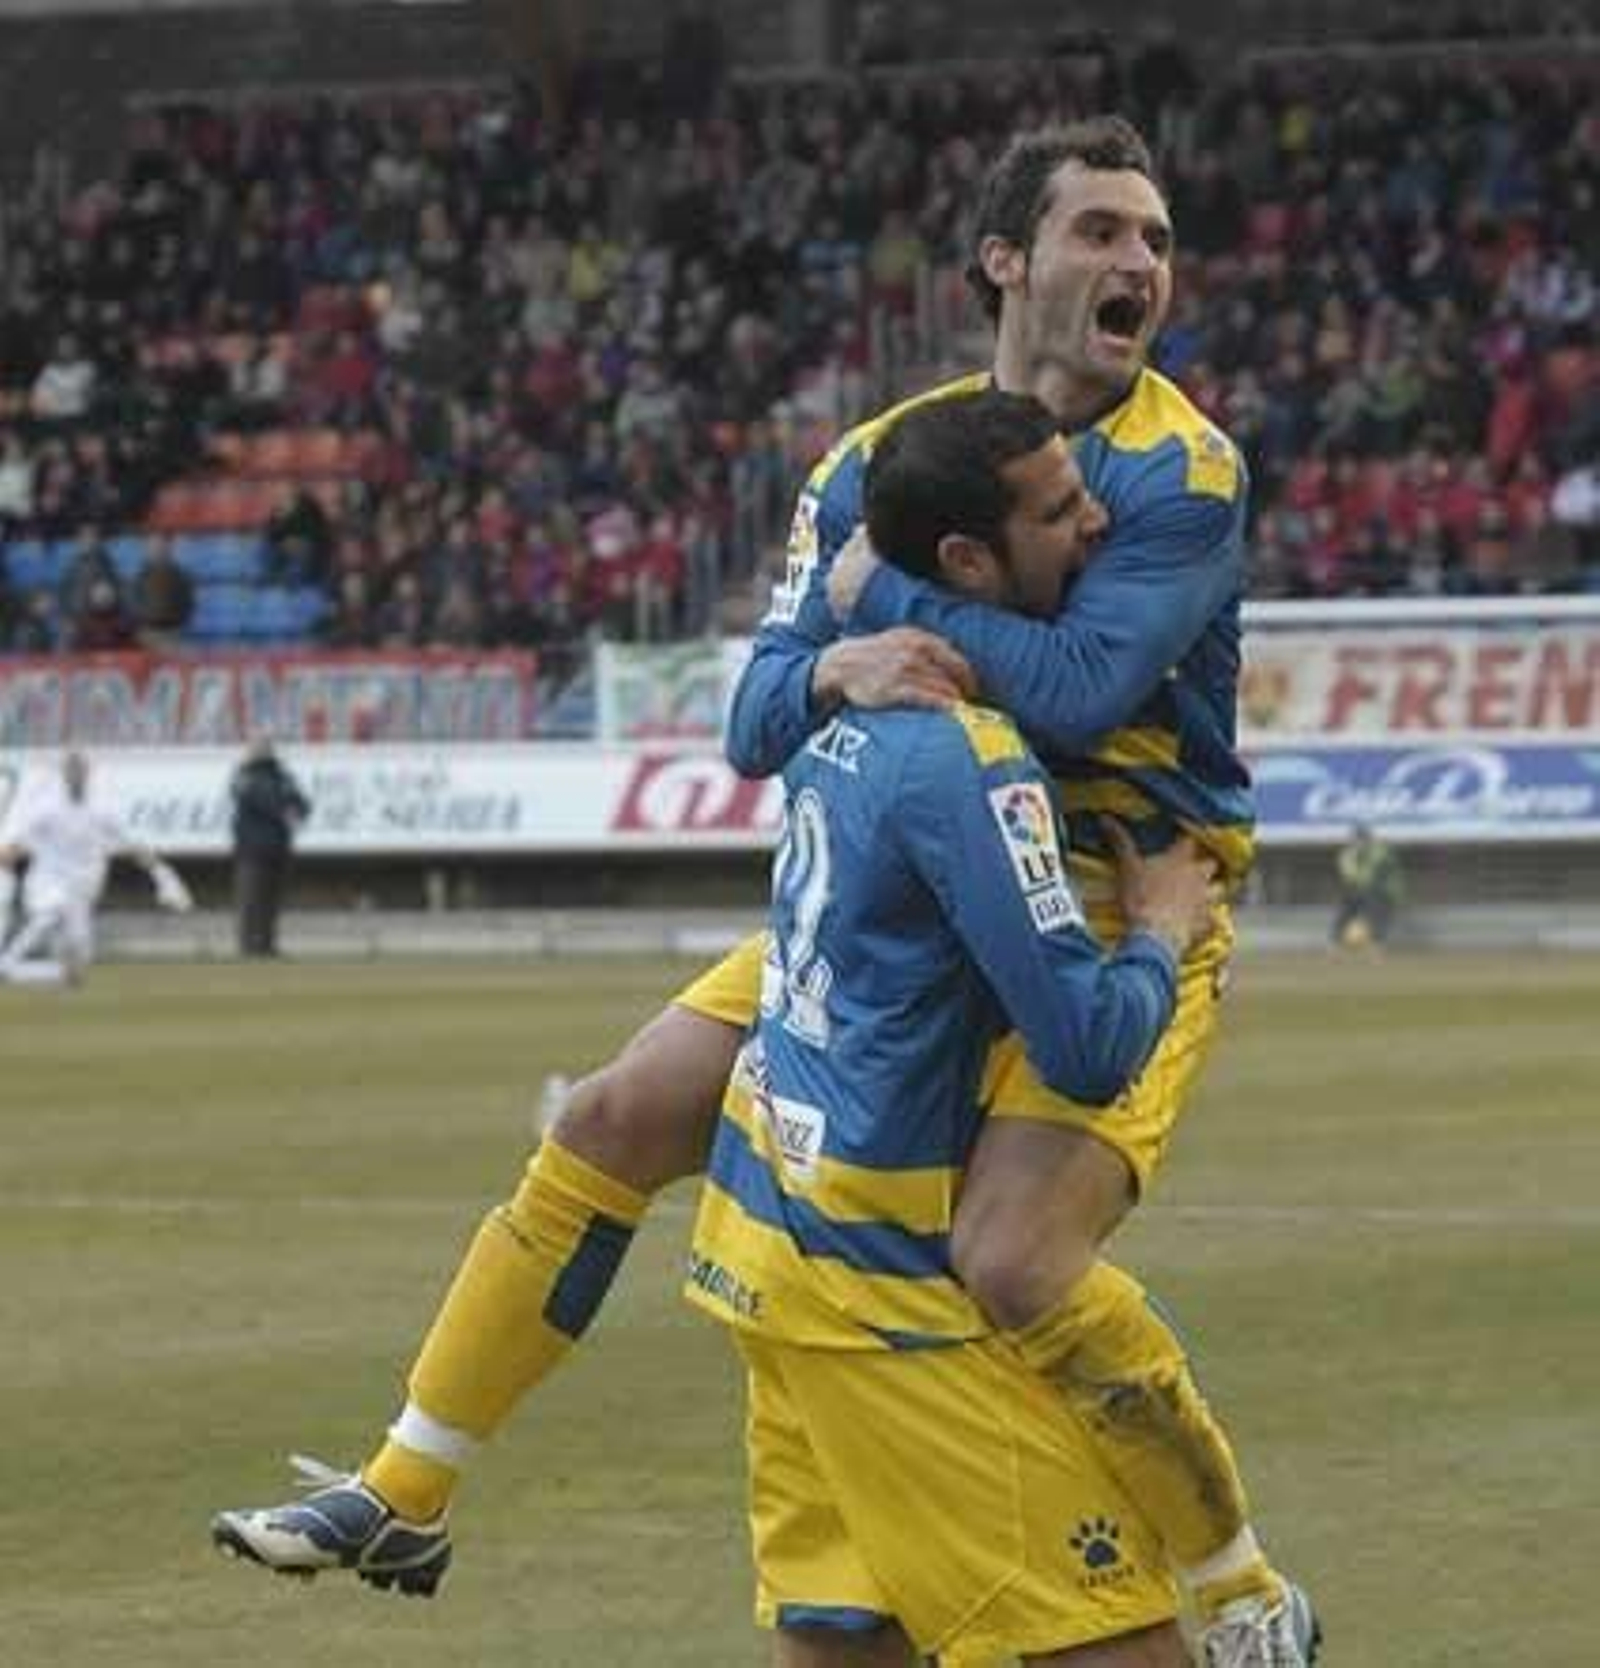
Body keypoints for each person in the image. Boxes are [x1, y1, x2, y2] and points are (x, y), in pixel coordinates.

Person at [212, 118, 1318, 1666]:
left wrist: (881, 607)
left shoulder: (1182, 473)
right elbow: (753, 719)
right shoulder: (878, 457)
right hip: (916, 890)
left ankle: (1234, 1582)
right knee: (611, 1113)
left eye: (1156, 236)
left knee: (1008, 1260)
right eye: (1102, 231)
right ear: (1008, 260)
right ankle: (408, 1484)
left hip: (1118, 893)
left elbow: (1079, 690)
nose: (1141, 261)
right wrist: (837, 654)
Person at [686, 389, 1221, 1666]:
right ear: (968, 566)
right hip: (881, 1292)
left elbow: (751, 719)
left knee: (845, 1644)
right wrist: (1156, 929)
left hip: (761, 1234)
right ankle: (1237, 1571)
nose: (1095, 521)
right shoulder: (970, 758)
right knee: (1122, 1644)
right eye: (1057, 510)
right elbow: (1088, 1046)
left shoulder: (835, 717)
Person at [0, 751, 192, 987]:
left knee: (79, 956)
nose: (75, 775)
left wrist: (164, 876)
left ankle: (34, 974)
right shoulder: (47, 809)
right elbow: (15, 847)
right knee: (53, 909)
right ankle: (7, 960)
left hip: (83, 890)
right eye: (71, 770)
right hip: (47, 882)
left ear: (88, 773)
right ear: (63, 775)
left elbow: (134, 845)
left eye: (80, 770)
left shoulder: (102, 809)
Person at [230, 734, 310, 959]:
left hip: (278, 846)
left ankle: (267, 944)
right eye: (259, 746)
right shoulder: (243, 775)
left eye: (266, 746)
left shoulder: (282, 775)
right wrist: (284, 808)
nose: (263, 750)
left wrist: (297, 810)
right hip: (251, 848)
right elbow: (256, 799)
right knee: (250, 899)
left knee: (271, 901)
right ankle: (247, 946)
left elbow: (301, 802)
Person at [1331, 822, 1404, 948]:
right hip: (1360, 889)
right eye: (1356, 839)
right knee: (1346, 902)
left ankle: (1377, 942)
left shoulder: (1380, 851)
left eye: (1362, 839)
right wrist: (1354, 888)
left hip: (1386, 891)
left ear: (1369, 839)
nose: (1359, 842)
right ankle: (1335, 941)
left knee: (1376, 902)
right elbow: (1349, 877)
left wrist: (1362, 883)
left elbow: (1378, 875)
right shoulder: (1347, 855)